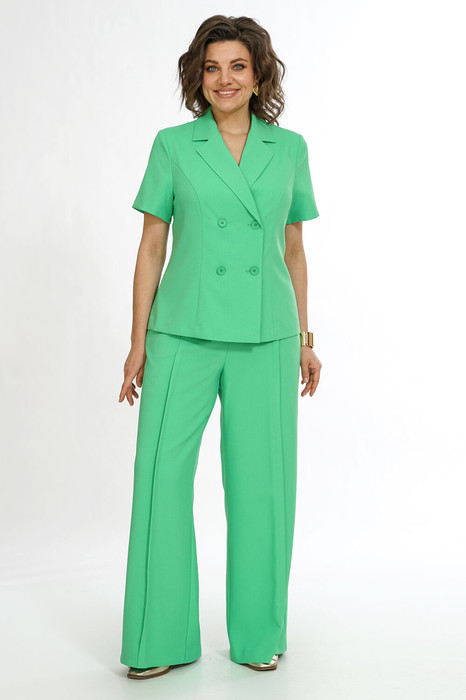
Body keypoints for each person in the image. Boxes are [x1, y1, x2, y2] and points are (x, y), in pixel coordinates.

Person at [118, 14, 322, 679]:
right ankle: (158, 639)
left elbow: (294, 249)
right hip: (181, 330)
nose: (224, 79)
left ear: (259, 75)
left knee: (263, 487)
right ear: (197, 77)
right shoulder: (174, 145)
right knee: (160, 480)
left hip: (267, 334)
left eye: (238, 66)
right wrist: (137, 341)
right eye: (212, 67)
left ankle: (259, 634)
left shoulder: (289, 149)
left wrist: (306, 339)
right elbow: (152, 246)